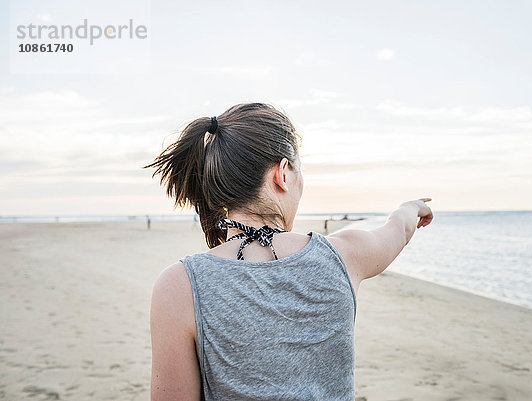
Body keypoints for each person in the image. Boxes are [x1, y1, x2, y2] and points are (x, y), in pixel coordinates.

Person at [143, 103, 433, 401]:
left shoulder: (179, 286)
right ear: (282, 174)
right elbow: (398, 231)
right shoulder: (345, 255)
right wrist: (409, 208)